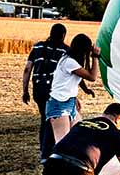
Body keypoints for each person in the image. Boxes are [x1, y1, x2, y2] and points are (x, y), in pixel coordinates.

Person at [22, 24, 94, 162]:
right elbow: (74, 75)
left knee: (47, 120)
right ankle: (50, 154)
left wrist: (25, 90)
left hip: (39, 88)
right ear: (63, 35)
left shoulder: (37, 47)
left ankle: (45, 152)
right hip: (55, 92)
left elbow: (27, 69)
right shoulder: (65, 52)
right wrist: (82, 91)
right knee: (55, 122)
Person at [45, 33, 100, 145]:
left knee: (79, 136)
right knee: (62, 143)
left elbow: (78, 77)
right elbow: (92, 77)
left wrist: (82, 92)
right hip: (59, 103)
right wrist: (95, 57)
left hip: (68, 102)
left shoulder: (69, 60)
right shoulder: (69, 62)